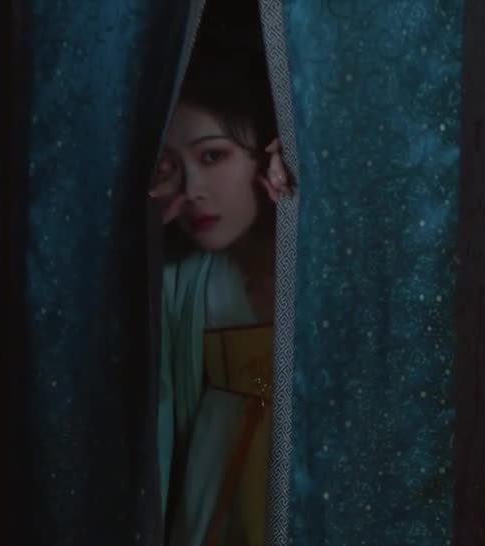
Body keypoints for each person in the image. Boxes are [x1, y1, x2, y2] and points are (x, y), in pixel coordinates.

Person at [150, 36, 292, 546]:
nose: (192, 190)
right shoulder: (182, 284)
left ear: (269, 152)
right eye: (170, 165)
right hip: (213, 509)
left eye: (212, 155)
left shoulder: (329, 268)